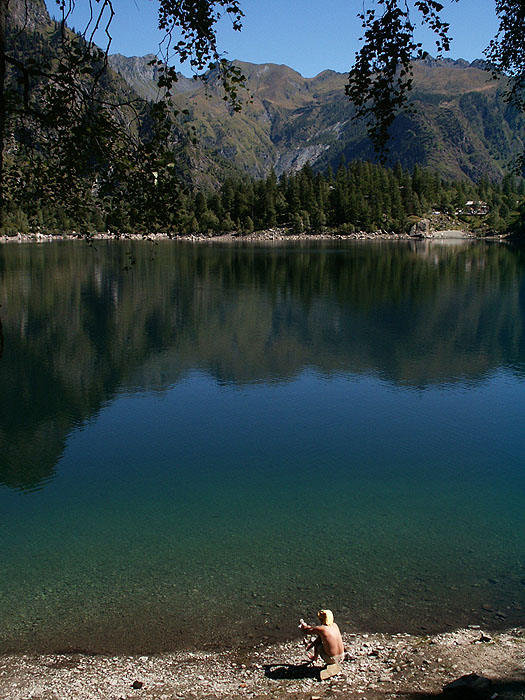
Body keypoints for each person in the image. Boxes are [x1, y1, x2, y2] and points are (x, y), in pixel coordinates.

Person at [300, 609, 345, 679]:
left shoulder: (322, 629)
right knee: (321, 641)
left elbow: (307, 630)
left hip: (332, 659)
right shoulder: (335, 625)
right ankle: (319, 660)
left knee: (319, 646)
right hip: (342, 656)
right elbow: (322, 638)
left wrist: (303, 626)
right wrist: (310, 646)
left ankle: (315, 658)